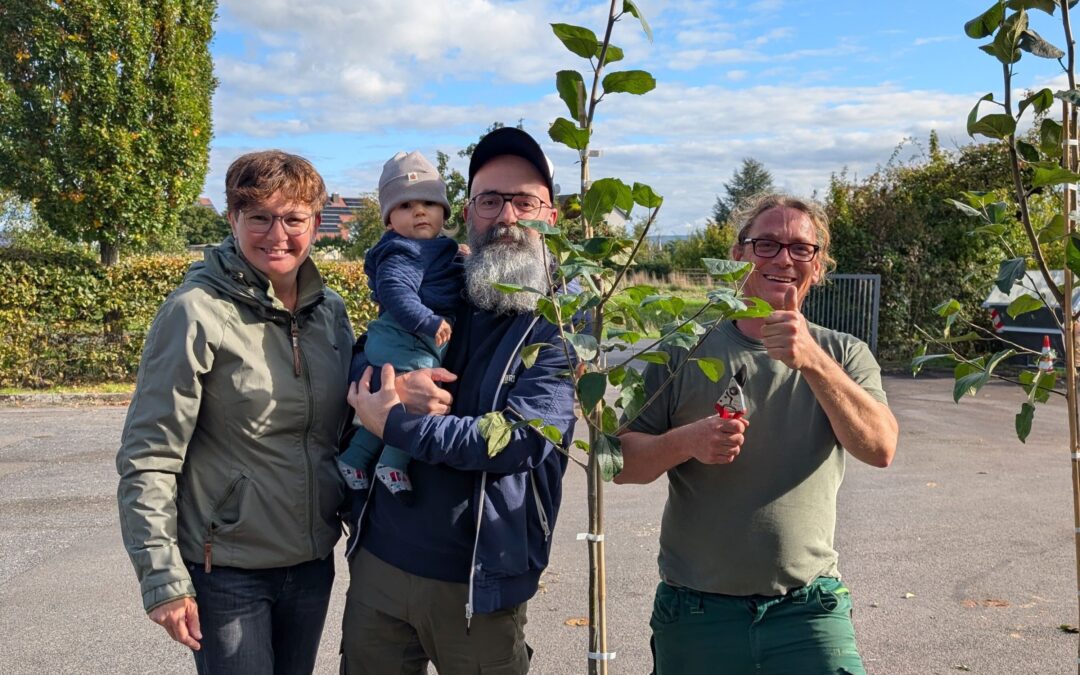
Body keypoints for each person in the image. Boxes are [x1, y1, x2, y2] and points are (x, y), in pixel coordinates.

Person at [616, 193, 899, 675]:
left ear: (818, 265)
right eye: (765, 244)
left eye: (800, 248)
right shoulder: (683, 350)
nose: (783, 258)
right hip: (696, 613)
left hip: (808, 611)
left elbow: (880, 448)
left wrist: (810, 359)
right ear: (738, 256)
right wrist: (687, 441)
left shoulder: (845, 355)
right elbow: (621, 465)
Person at [340, 127, 577, 675]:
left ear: (551, 217)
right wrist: (388, 386)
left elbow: (520, 439)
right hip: (379, 566)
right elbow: (366, 353)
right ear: (468, 212)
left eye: (525, 201)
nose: (507, 217)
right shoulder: (442, 285)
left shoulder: (563, 326)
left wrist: (395, 422)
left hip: (478, 583)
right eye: (490, 201)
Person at [116, 150, 354, 675]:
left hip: (312, 564)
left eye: (293, 218)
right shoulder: (195, 312)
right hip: (226, 570)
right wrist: (161, 578)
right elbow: (149, 455)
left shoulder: (330, 313)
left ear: (316, 223)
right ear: (232, 220)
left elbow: (346, 429)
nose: (278, 234)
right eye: (259, 218)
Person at [336, 150, 463, 505]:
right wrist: (426, 319)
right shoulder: (403, 251)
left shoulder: (434, 249)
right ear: (390, 219)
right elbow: (394, 290)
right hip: (404, 337)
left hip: (409, 338)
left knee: (385, 407)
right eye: (405, 206)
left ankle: (354, 459)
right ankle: (393, 463)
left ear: (444, 212)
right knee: (419, 396)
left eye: (428, 202)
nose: (419, 211)